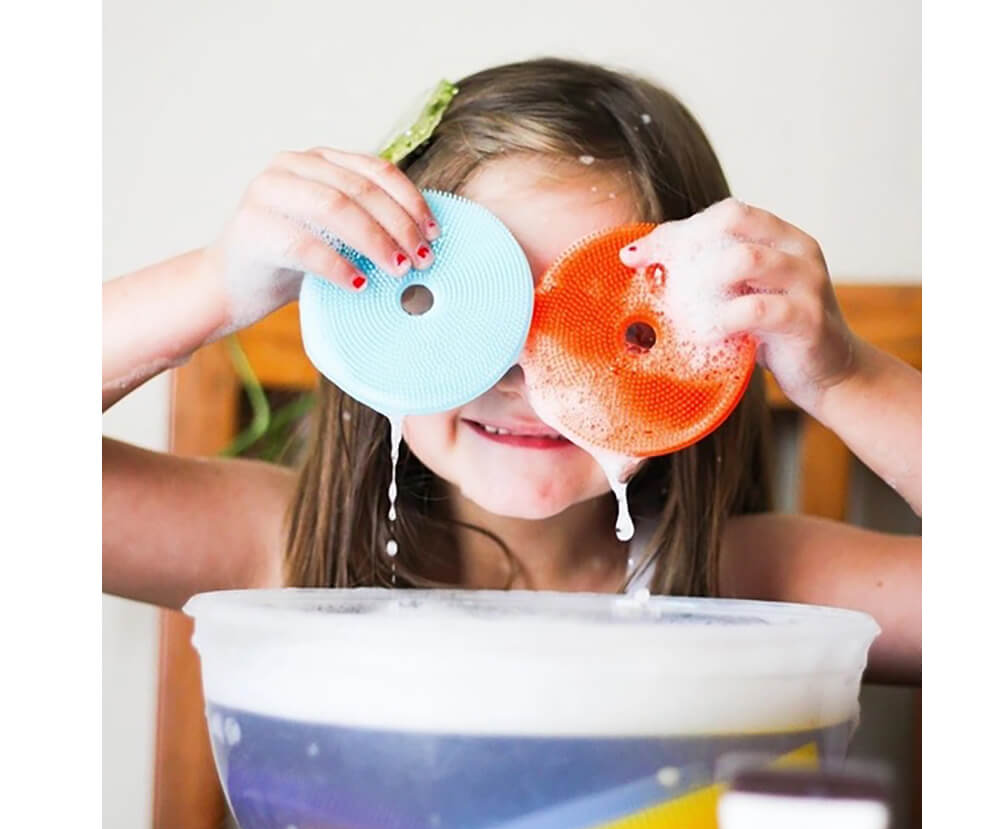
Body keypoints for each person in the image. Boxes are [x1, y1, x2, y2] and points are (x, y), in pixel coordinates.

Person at [103, 57, 921, 683]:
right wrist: (217, 284)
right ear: (375, 319)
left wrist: (846, 379)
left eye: (605, 327)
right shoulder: (279, 548)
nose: (524, 379)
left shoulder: (755, 588)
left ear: (706, 349)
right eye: (467, 312)